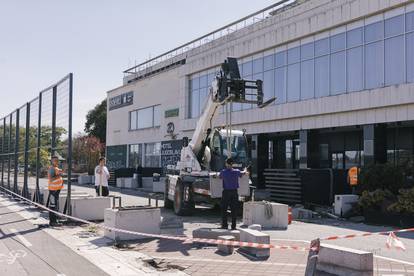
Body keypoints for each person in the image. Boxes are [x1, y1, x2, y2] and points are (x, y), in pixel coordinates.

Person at [218, 158, 248, 230]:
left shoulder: (223, 172)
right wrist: (245, 169)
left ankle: (225, 225)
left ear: (226, 164)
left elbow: (219, 177)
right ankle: (233, 226)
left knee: (224, 209)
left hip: (226, 192)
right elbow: (243, 173)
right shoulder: (236, 171)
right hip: (234, 192)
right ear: (232, 164)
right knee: (234, 209)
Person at [48, 156, 64, 227]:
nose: (57, 162)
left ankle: (55, 220)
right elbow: (51, 179)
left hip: (56, 190)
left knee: (55, 206)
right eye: (55, 160)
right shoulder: (52, 168)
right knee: (53, 206)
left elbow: (61, 171)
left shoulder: (56, 168)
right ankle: (52, 222)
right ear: (52, 161)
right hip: (53, 191)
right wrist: (59, 175)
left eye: (57, 160)